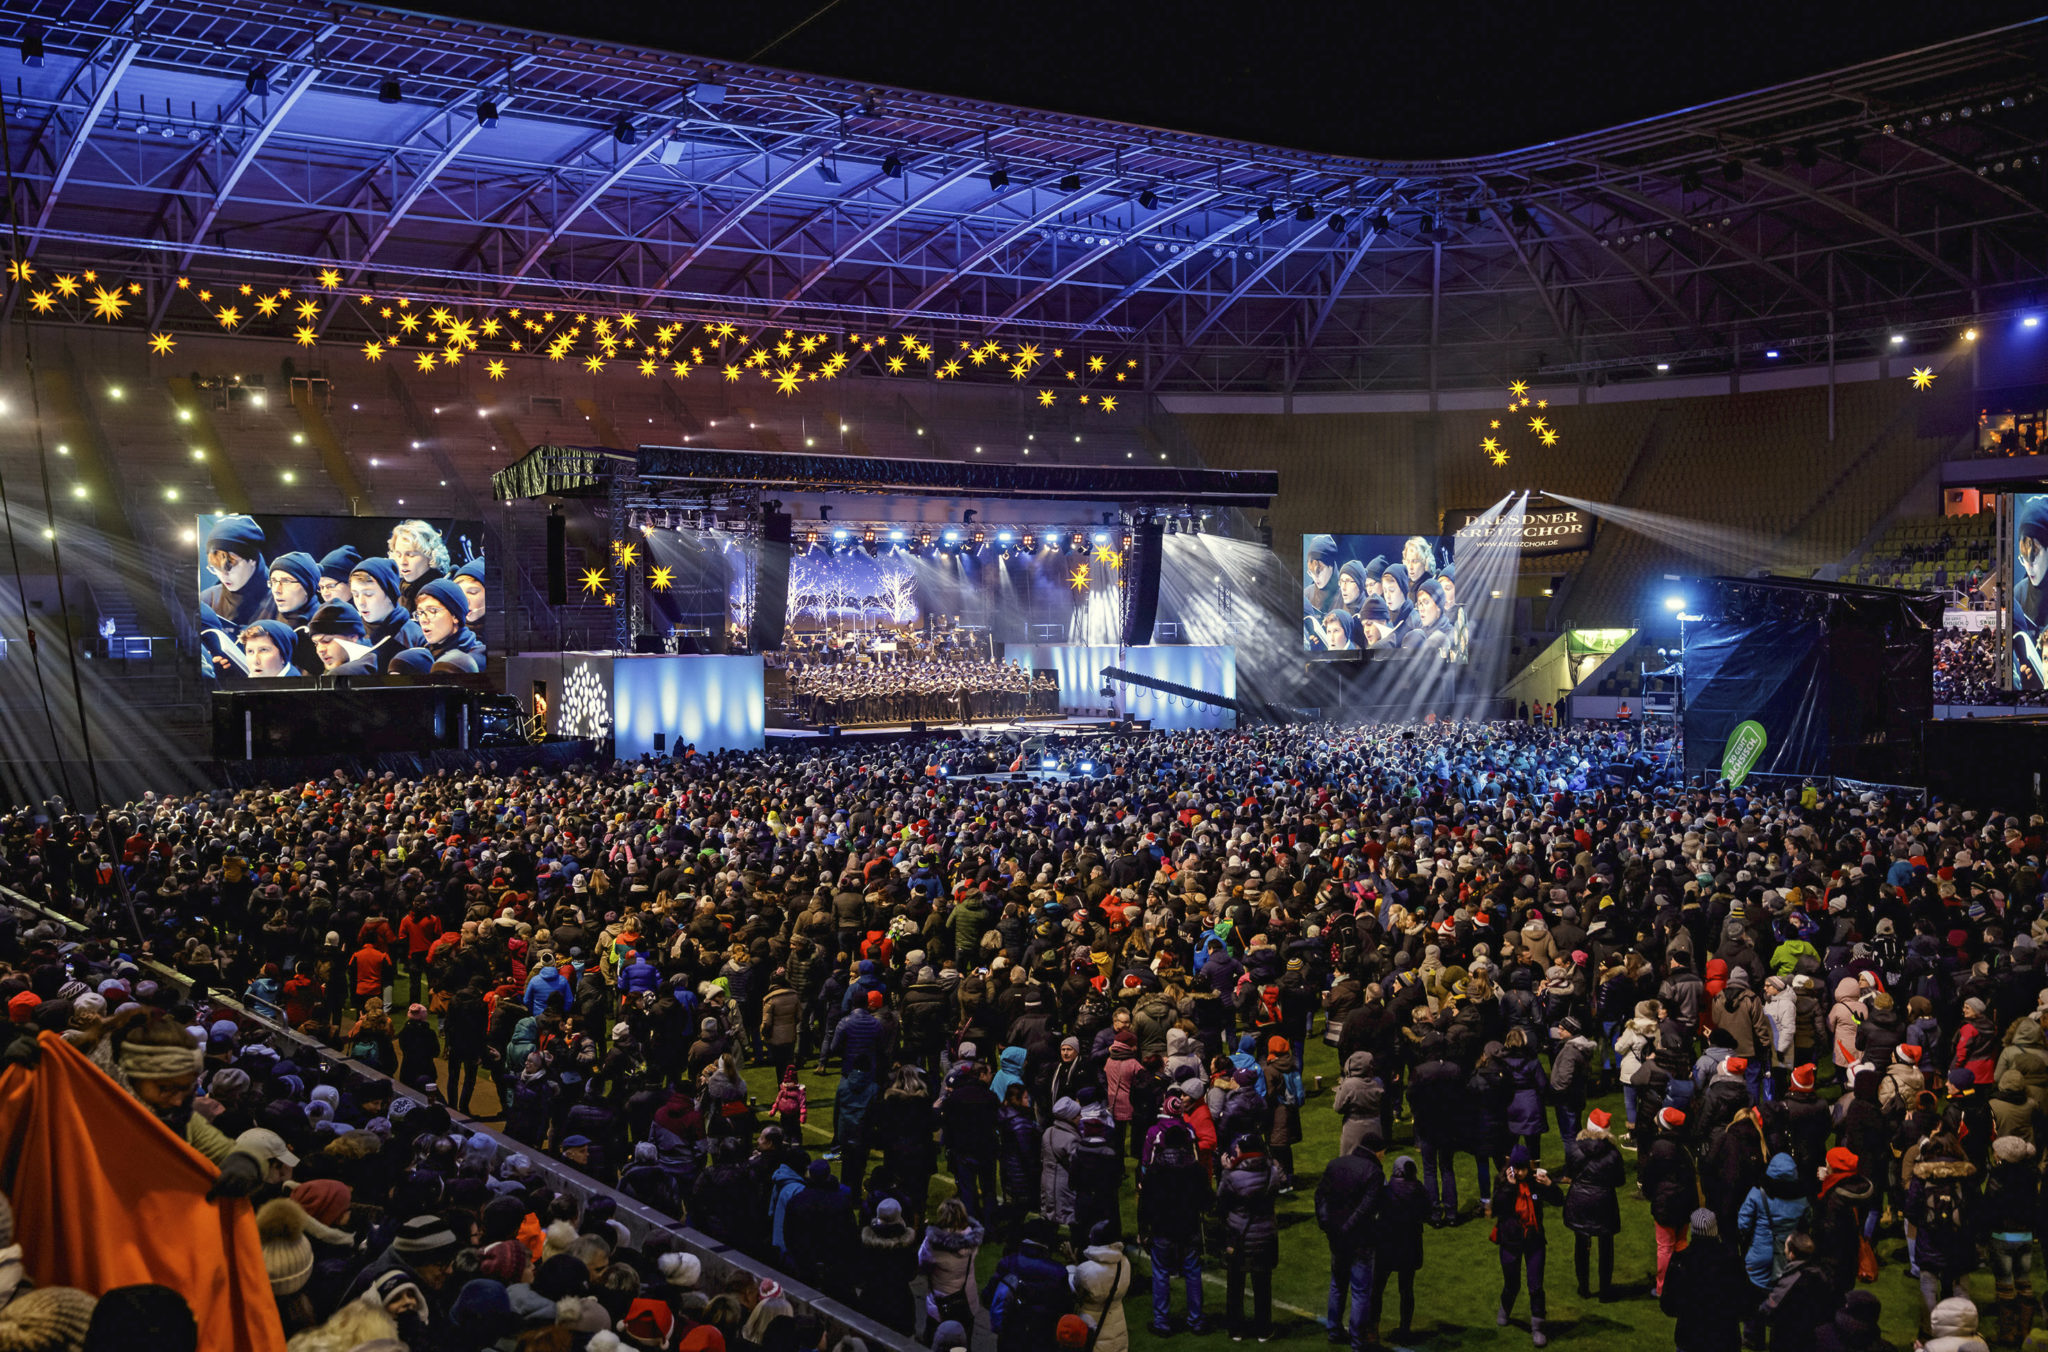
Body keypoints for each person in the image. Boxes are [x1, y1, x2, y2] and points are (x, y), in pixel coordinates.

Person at [1136, 1119, 1210, 1336]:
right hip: (1189, 1227)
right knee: (1193, 1272)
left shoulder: (1156, 1169)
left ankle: (1162, 1323)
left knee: (1160, 1274)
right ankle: (1196, 1320)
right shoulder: (1195, 1168)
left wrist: (1143, 1230)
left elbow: (1144, 1202)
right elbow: (1206, 1200)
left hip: (1162, 1228)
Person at [1316, 1125, 1386, 1349]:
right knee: (1360, 1291)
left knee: (1337, 1284)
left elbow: (1320, 1198)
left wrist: (1327, 1224)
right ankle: (1357, 1339)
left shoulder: (1336, 1164)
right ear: (1376, 1151)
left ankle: (1334, 1330)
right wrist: (1347, 1228)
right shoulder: (1374, 1172)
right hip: (1360, 1240)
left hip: (1336, 1237)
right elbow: (1367, 1208)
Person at [1491, 1144, 1563, 1347]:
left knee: (1536, 1287)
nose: (1521, 1173)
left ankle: (1538, 1328)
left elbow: (1559, 1200)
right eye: (1518, 1168)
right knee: (1511, 1283)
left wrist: (1549, 1184)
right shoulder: (1503, 1181)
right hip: (1510, 1242)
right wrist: (1510, 1187)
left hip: (1534, 1242)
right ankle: (1505, 1309)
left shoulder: (1536, 1181)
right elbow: (1497, 1208)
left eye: (1524, 1168)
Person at [1215, 1133, 1283, 1342]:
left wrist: (1226, 1171)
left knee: (1235, 1284)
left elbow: (1220, 1204)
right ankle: (1263, 1329)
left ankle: (1236, 1329)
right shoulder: (1271, 1172)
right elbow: (1280, 1176)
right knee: (1262, 1285)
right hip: (1265, 1236)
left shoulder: (1233, 1177)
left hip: (1239, 1236)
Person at [1660, 1209, 1749, 1352]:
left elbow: (1668, 1305)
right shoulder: (1732, 1261)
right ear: (1715, 1229)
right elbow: (1746, 1304)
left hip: (1690, 1339)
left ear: (1693, 1231)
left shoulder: (1681, 1261)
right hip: (1725, 1339)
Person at [1561, 1108, 1625, 1301]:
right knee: (1606, 1247)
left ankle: (1584, 1288)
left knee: (1581, 1245)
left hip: (1579, 1201)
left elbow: (1569, 1174)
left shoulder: (1574, 1149)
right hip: (1604, 1202)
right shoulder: (1613, 1154)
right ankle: (1605, 1291)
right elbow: (1619, 1180)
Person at [1374, 1154, 1430, 1343]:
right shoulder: (1419, 1190)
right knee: (1406, 1290)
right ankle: (1405, 1329)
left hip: (1387, 1246)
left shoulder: (1386, 1191)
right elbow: (1428, 1213)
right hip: (1410, 1247)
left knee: (1377, 1288)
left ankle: (1373, 1327)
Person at [918, 1196, 983, 1332]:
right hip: (966, 1302)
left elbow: (921, 1264)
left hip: (940, 1305)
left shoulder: (932, 1244)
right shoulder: (972, 1239)